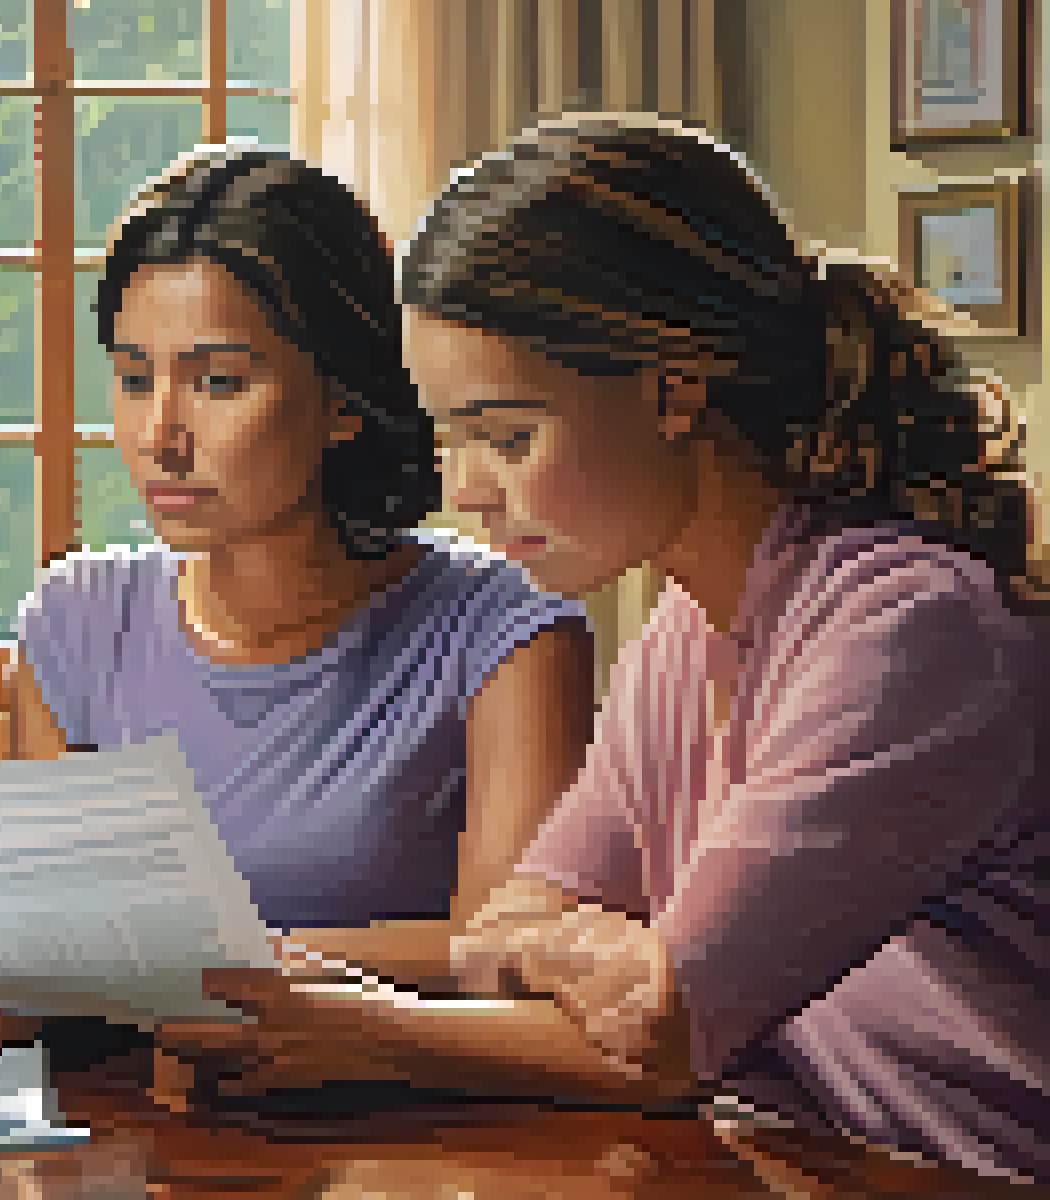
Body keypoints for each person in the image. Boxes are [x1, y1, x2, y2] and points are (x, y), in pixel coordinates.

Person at [182, 115, 1048, 1184]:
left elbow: (659, 1043)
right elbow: (508, 929)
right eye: (452, 438)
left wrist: (360, 1030)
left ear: (670, 390)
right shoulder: (684, 634)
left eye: (507, 435)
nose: (467, 491)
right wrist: (594, 958)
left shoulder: (911, 632)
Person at [0, 145, 596, 1079]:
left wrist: (225, 972)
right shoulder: (75, 623)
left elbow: (507, 955)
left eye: (218, 383)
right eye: (135, 379)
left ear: (343, 399)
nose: (160, 435)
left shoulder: (505, 633)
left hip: (409, 1141)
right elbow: (58, 955)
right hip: (139, 1131)